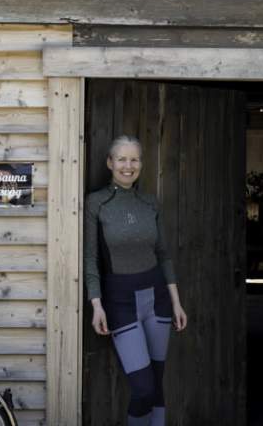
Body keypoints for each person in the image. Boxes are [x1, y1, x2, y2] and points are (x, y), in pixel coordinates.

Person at [85, 135, 188, 426]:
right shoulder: (96, 204)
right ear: (110, 163)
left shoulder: (149, 203)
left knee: (156, 383)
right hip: (120, 301)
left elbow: (164, 255)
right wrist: (97, 305)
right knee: (142, 388)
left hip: (158, 300)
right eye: (121, 159)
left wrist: (177, 303)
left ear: (141, 163)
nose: (128, 166)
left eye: (134, 159)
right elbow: (90, 258)